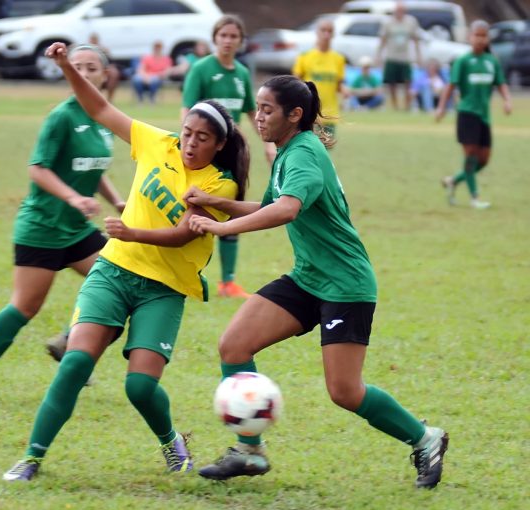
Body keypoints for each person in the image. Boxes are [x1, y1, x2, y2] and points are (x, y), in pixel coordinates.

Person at [2, 41, 250, 482]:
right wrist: (66, 67)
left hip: (164, 288)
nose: (191, 143)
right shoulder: (156, 143)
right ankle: (31, 458)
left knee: (139, 386)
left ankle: (171, 441)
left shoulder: (220, 184)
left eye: (202, 138)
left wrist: (132, 231)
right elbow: (99, 108)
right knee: (75, 363)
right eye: (187, 133)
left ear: (220, 144)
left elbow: (182, 234)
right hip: (114, 271)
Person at [185, 75, 449, 489]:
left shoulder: (304, 152)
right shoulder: (288, 151)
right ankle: (249, 451)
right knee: (234, 345)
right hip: (308, 277)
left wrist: (220, 228)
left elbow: (286, 210)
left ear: (294, 115)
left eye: (267, 110)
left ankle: (425, 438)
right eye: (258, 108)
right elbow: (271, 204)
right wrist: (215, 202)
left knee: (345, 391)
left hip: (345, 284)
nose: (258, 117)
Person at [0, 44, 126, 401]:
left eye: (91, 67)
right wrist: (73, 198)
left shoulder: (104, 119)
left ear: (105, 75)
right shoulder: (61, 116)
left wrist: (118, 200)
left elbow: (94, 168)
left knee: (124, 282)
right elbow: (38, 169)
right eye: (77, 66)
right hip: (43, 228)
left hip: (77, 230)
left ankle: (69, 345)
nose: (84, 73)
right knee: (25, 307)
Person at [181, 15, 275, 299]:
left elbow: (252, 112)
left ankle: (228, 282)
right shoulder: (201, 69)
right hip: (205, 153)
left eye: (234, 36)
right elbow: (187, 111)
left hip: (232, 156)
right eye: (223, 35)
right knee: (194, 210)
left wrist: (268, 143)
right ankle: (185, 272)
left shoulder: (242, 73)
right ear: (215, 38)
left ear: (241, 41)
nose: (228, 41)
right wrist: (186, 144)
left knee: (231, 210)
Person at [436, 20, 512, 209]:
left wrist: (507, 100)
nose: (480, 39)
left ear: (488, 39)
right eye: (476, 35)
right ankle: (474, 198)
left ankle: (453, 180)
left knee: (483, 160)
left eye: (483, 36)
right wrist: (442, 107)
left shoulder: (491, 61)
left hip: (484, 116)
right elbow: (450, 86)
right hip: (467, 113)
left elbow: (501, 83)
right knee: (470, 154)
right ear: (470, 37)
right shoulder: (463, 61)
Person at [293, 18, 346, 136]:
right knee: (309, 145)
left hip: (329, 113)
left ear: (333, 34)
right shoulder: (305, 56)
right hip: (310, 112)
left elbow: (338, 85)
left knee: (326, 145)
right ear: (317, 32)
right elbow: (296, 83)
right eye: (323, 30)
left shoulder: (338, 59)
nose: (326, 34)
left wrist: (345, 91)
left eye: (330, 31)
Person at [376, 1, 422, 111]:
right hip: (391, 57)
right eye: (397, 10)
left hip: (405, 57)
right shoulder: (388, 23)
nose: (399, 13)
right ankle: (395, 105)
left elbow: (416, 40)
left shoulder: (411, 22)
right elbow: (383, 40)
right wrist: (378, 55)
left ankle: (406, 105)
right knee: (392, 83)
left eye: (402, 10)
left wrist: (418, 55)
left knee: (407, 82)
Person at [88, 33, 121, 102]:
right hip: (90, 70)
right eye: (92, 40)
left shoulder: (103, 50)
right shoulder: (85, 51)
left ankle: (109, 100)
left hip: (104, 69)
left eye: (95, 40)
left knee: (114, 72)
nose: (93, 42)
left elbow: (111, 62)